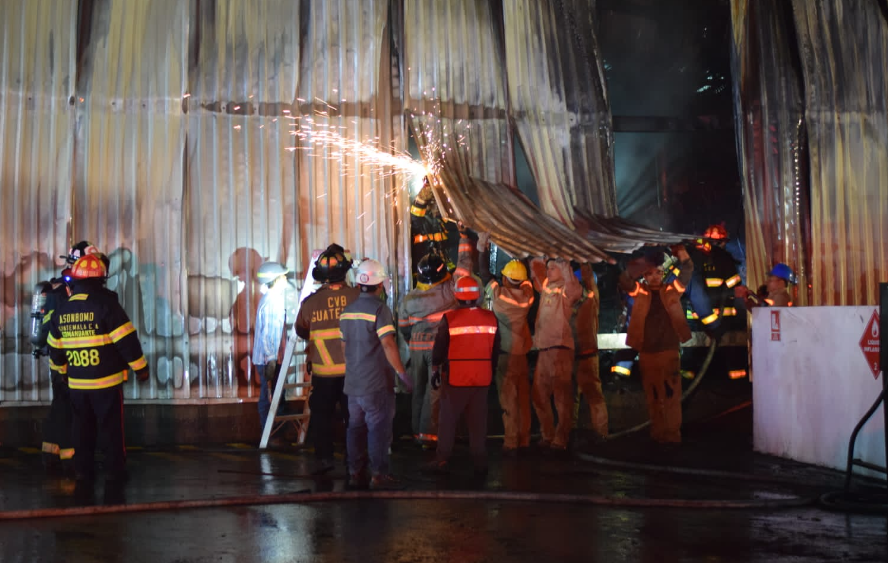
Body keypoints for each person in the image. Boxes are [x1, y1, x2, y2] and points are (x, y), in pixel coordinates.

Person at [47, 254, 149, 485]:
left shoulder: (63, 309)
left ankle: (83, 471)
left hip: (77, 386)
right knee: (111, 430)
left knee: (81, 430)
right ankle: (115, 473)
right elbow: (127, 342)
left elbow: (54, 347)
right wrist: (141, 369)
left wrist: (62, 371)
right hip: (106, 384)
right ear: (102, 279)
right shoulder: (107, 305)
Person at [340, 259, 413, 489]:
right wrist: (402, 374)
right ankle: (379, 475)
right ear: (379, 284)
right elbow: (389, 345)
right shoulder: (380, 309)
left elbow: (344, 348)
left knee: (355, 428)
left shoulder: (347, 311)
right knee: (378, 429)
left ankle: (355, 472)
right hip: (376, 384)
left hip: (353, 384)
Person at [618, 245, 693, 444]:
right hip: (647, 353)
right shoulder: (639, 292)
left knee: (670, 395)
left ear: (663, 273)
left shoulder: (671, 290)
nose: (654, 277)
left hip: (668, 352)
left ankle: (672, 436)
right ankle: (658, 434)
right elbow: (625, 281)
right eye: (650, 274)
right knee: (653, 396)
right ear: (645, 276)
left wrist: (681, 253)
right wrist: (641, 263)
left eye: (658, 273)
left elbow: (687, 271)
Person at [296, 244, 360, 471]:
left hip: (323, 374)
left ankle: (324, 459)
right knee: (354, 417)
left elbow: (301, 330)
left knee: (322, 418)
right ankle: (355, 459)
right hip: (353, 372)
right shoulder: (357, 296)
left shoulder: (310, 303)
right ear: (345, 271)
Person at [429, 276, 499, 476]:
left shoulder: (450, 319)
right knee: (478, 421)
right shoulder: (490, 318)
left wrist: (435, 369)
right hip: (482, 378)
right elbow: (495, 350)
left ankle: (442, 459)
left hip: (455, 379)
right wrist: (489, 372)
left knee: (448, 420)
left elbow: (440, 348)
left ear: (457, 295)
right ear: (477, 295)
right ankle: (479, 460)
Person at [471, 232, 534, 455]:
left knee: (508, 400)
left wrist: (482, 247)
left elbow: (485, 274)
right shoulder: (528, 297)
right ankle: (525, 439)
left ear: (506, 279)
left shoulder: (498, 297)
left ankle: (511, 441)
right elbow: (526, 280)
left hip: (506, 355)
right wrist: (520, 251)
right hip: (522, 355)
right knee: (524, 398)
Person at [398, 251, 458, 446]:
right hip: (438, 349)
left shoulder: (409, 299)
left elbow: (403, 328)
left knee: (418, 390)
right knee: (434, 390)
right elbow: (465, 272)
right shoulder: (449, 292)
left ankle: (416, 432)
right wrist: (466, 238)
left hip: (416, 348)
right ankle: (428, 436)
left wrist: (413, 342)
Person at [529, 256, 583, 451]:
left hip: (560, 349)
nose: (549, 270)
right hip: (545, 349)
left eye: (553, 268)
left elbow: (576, 291)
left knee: (561, 397)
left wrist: (564, 265)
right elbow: (537, 273)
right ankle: (548, 434)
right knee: (539, 394)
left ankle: (561, 438)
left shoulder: (566, 288)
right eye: (549, 267)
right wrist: (537, 258)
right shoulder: (547, 285)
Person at [252, 261, 290, 436]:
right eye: (282, 277)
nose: (285, 279)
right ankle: (270, 435)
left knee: (276, 397)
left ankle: (275, 433)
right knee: (269, 398)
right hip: (270, 360)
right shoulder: (271, 302)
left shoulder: (273, 299)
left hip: (274, 358)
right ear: (274, 280)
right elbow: (267, 334)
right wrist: (271, 360)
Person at [572, 263, 608, 441]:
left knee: (580, 398)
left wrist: (583, 259)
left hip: (582, 355)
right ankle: (600, 434)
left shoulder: (588, 300)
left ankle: (572, 433)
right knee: (590, 397)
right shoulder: (590, 300)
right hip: (582, 355)